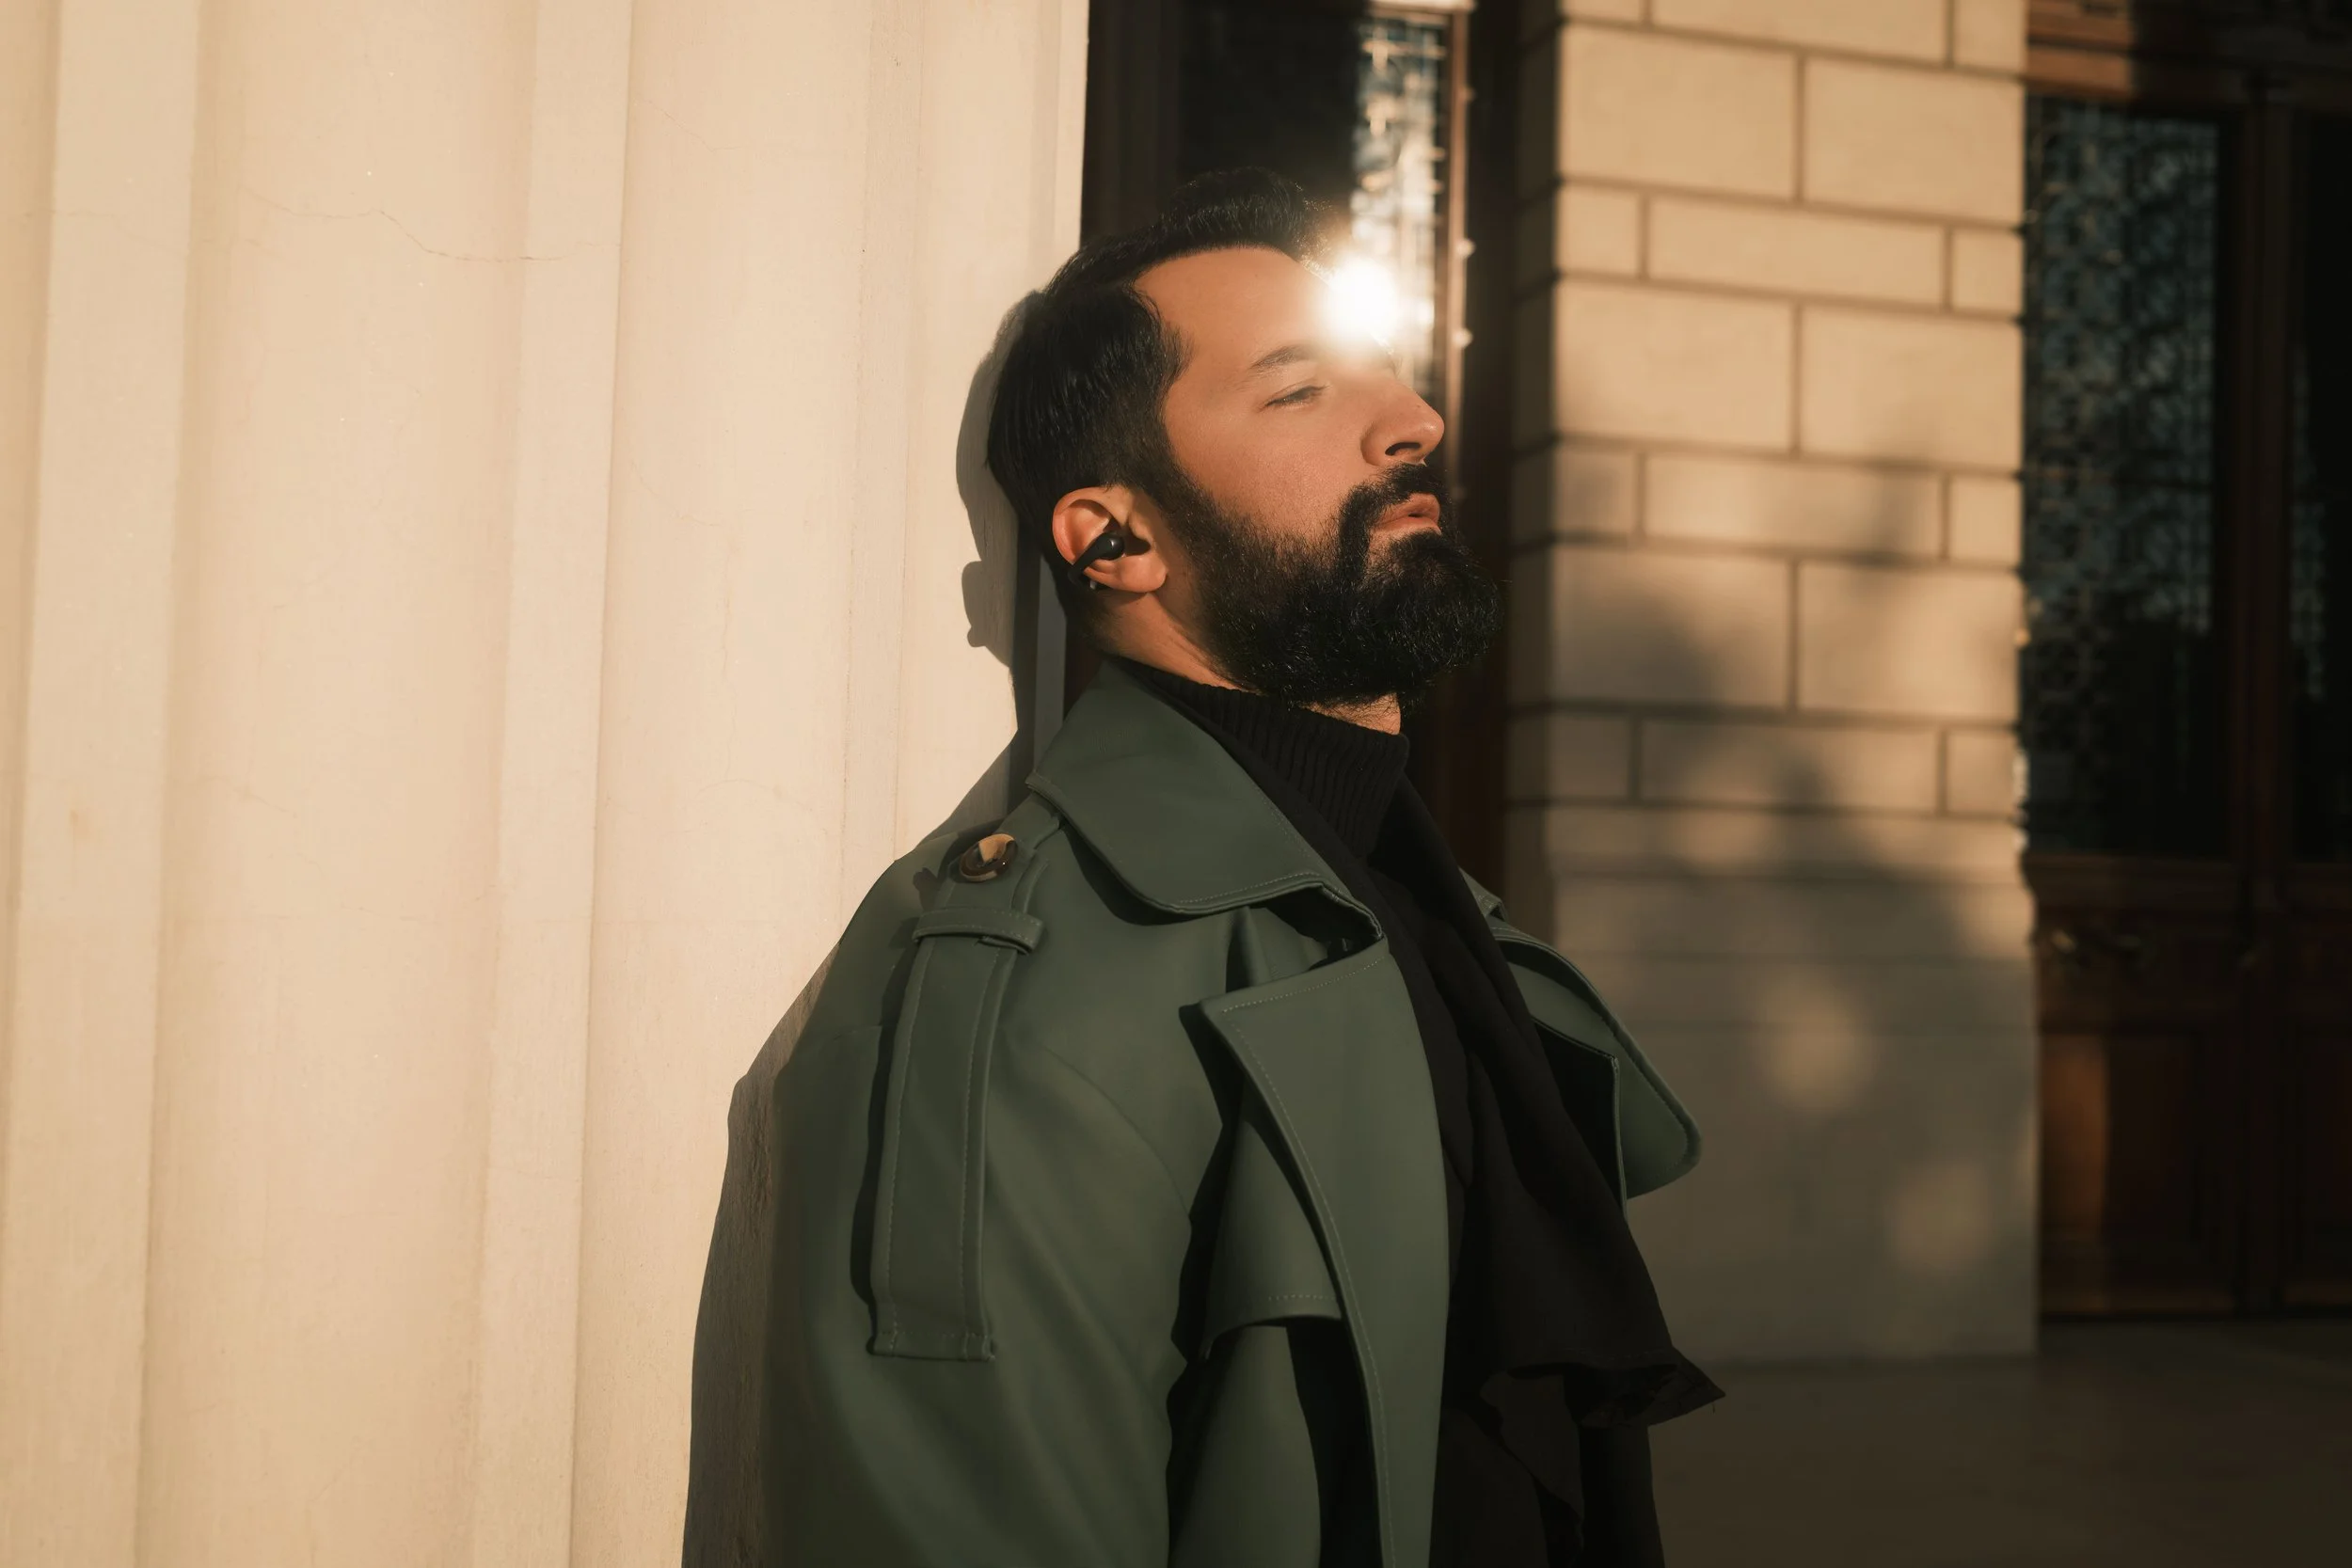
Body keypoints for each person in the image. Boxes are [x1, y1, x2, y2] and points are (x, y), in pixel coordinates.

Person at [691, 169, 1718, 1567]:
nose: (1413, 422)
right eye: (1299, 393)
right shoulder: (1025, 995)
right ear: (1114, 537)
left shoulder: (1410, 903)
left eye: (1391, 379)